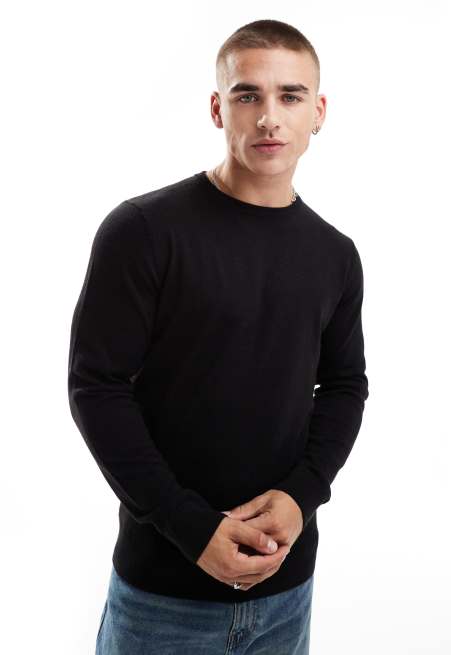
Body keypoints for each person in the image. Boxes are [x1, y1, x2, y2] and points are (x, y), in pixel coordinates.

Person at [67, 18, 369, 655]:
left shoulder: (335, 255)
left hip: (287, 590)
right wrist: (189, 526)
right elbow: (96, 387)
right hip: (162, 596)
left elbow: (345, 386)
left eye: (290, 96)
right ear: (217, 108)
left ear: (318, 112)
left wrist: (301, 497)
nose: (269, 117)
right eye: (247, 95)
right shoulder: (144, 231)